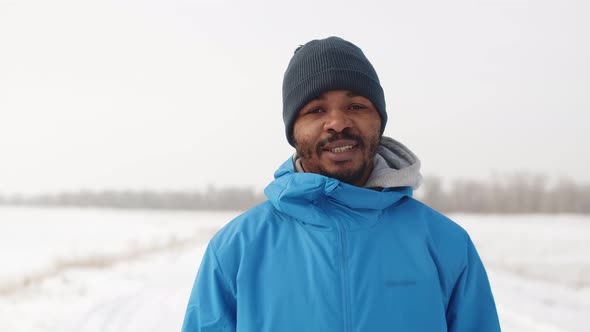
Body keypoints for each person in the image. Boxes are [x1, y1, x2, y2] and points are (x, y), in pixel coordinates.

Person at [181, 36, 501, 332]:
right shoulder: (237, 248)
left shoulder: (446, 243)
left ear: (379, 120)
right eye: (316, 109)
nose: (337, 123)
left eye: (356, 106)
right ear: (294, 131)